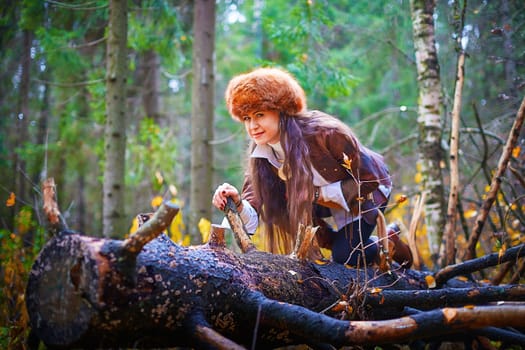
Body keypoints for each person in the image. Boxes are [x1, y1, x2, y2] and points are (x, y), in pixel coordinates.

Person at [212, 67, 412, 268]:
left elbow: (368, 180)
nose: (252, 126)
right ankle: (343, 245)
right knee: (279, 204)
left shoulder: (327, 132)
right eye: (246, 118)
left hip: (366, 192)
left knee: (346, 258)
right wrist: (237, 203)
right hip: (323, 201)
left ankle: (389, 240)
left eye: (260, 114)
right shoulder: (261, 154)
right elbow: (254, 205)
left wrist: (314, 194)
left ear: (282, 111)